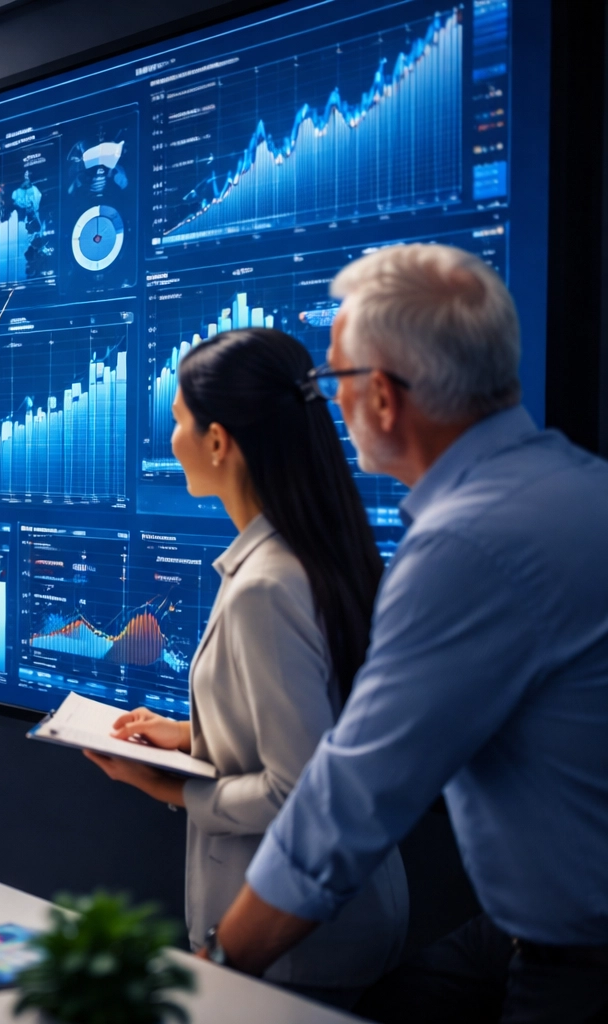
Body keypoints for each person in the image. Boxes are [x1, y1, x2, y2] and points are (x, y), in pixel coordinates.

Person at [206, 244, 608, 1023]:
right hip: (520, 927)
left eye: (333, 379)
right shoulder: (574, 483)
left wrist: (215, 969)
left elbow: (347, 806)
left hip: (580, 960)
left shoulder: (468, 544)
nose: (329, 400)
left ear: (384, 397)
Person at [82, 327, 407, 1007]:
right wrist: (191, 736)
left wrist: (169, 786)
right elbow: (325, 736)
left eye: (178, 421)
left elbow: (300, 794)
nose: (170, 439)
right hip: (337, 924)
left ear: (219, 442)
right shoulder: (314, 553)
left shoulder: (267, 587)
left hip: (295, 949)